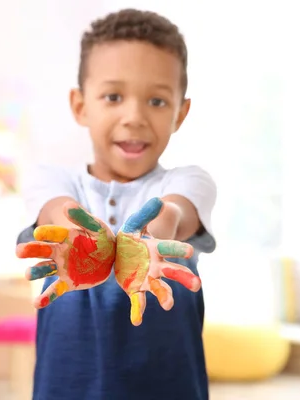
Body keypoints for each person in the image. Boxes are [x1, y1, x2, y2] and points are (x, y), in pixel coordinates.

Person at [16, 8, 217, 400]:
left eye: (157, 101)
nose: (135, 117)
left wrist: (147, 240)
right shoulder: (54, 180)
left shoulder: (189, 181)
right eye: (113, 96)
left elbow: (173, 215)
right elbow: (56, 210)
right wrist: (79, 239)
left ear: (181, 113)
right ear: (80, 106)